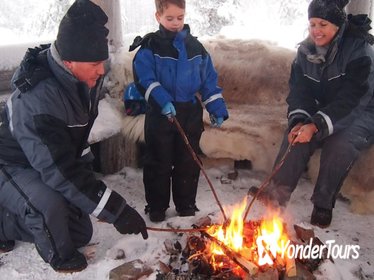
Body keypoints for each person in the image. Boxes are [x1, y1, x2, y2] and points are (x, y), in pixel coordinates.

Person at [0, 0, 148, 273]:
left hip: (42, 159)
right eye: (94, 64)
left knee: (80, 231)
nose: (101, 70)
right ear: (68, 62)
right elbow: (59, 171)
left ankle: (23, 217)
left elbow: (73, 144)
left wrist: (95, 195)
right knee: (49, 206)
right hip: (10, 163)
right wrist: (117, 210)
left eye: (101, 62)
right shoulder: (38, 100)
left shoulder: (81, 79)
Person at [250, 0, 374, 228]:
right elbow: (300, 92)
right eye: (312, 24)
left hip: (361, 112)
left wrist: (316, 125)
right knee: (296, 135)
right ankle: (275, 196)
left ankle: (323, 204)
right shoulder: (305, 52)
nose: (316, 31)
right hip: (326, 108)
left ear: (338, 25)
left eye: (323, 24)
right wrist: (300, 120)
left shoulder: (360, 51)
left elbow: (352, 99)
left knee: (340, 144)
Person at [129, 0, 229, 222]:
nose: (176, 23)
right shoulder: (150, 47)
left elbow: (209, 82)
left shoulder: (196, 48)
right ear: (158, 17)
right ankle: (156, 206)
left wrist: (216, 107)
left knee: (188, 160)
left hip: (189, 113)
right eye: (170, 18)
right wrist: (162, 100)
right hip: (160, 113)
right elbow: (145, 78)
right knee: (158, 160)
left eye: (180, 18)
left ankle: (186, 204)